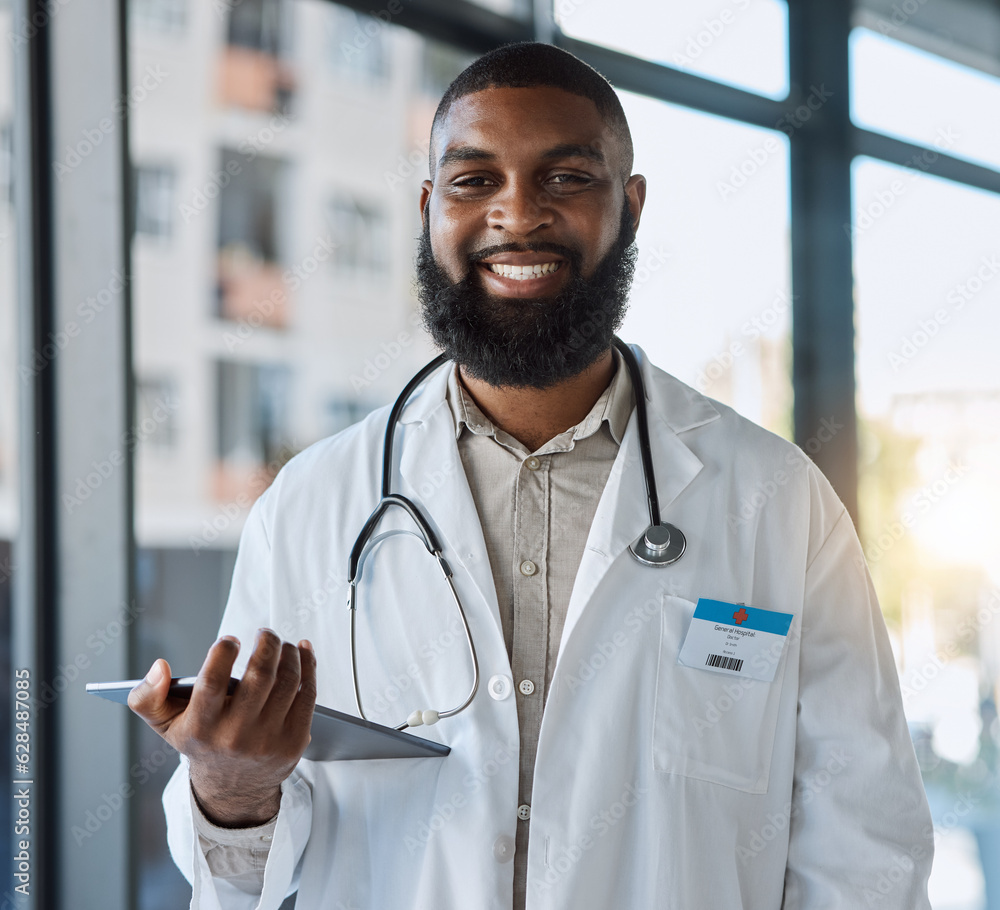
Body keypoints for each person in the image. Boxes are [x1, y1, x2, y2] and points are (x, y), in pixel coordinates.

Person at [129, 42, 934, 910]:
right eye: (475, 181)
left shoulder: (778, 502)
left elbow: (866, 856)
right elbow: (242, 875)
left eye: (567, 179)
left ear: (629, 207)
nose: (517, 214)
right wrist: (231, 786)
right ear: (430, 209)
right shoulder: (312, 506)